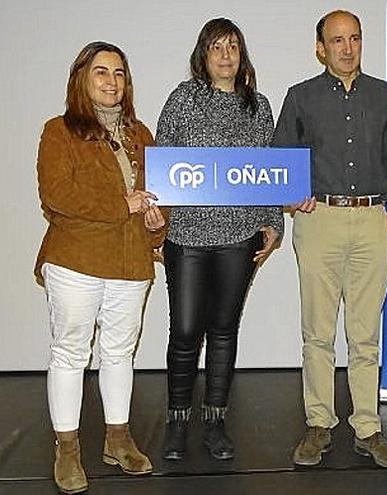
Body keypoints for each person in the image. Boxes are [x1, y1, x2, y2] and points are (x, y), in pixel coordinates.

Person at [273, 10, 387, 469]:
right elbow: (279, 162)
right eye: (337, 40)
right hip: (320, 223)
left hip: (372, 218)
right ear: (320, 48)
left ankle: (368, 427)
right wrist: (293, 200)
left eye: (354, 38)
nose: (347, 48)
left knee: (366, 334)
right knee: (318, 331)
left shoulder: (382, 95)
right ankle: (319, 423)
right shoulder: (300, 97)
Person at [34, 41, 166, 494]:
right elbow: (57, 196)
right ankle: (67, 449)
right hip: (76, 259)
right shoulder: (58, 132)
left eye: (119, 74)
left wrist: (155, 224)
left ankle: (117, 438)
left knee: (119, 354)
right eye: (101, 73)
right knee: (71, 353)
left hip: (131, 264)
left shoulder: (143, 135)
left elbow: (152, 203)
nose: (112, 82)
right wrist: (122, 203)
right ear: (82, 80)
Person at [155, 18, 283, 461]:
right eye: (216, 47)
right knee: (186, 330)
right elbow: (162, 164)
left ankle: (215, 420)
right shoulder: (183, 99)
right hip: (187, 237)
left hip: (238, 236)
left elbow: (267, 170)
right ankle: (176, 421)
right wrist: (156, 224)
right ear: (202, 56)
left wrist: (274, 224)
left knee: (224, 331)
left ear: (241, 54)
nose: (225, 55)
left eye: (233, 46)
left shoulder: (258, 106)